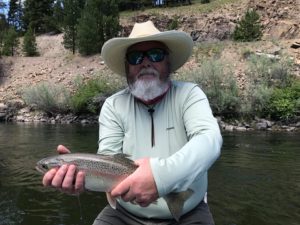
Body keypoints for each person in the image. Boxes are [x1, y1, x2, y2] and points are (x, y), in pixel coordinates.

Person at [42, 21, 222, 225]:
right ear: (127, 67)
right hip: (124, 214)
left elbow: (209, 140)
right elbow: (107, 158)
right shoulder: (113, 105)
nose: (145, 63)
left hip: (189, 212)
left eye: (155, 54)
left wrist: (159, 177)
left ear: (167, 61)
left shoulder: (190, 94)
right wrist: (82, 179)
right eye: (135, 57)